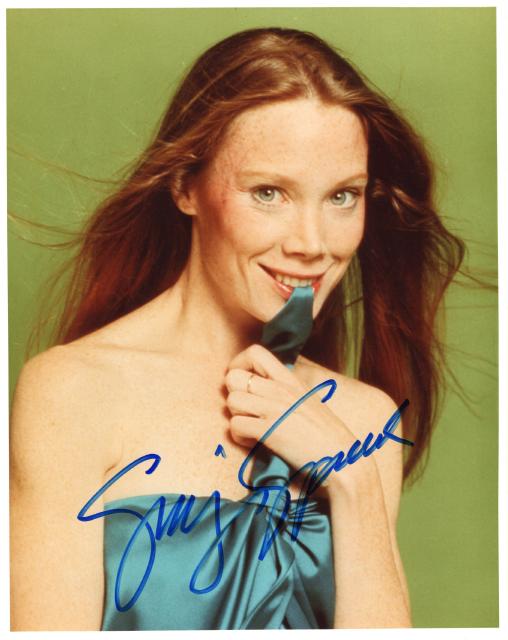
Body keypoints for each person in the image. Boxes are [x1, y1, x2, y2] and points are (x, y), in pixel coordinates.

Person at [9, 27, 464, 630]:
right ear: (185, 186)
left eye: (342, 197)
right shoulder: (74, 392)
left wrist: (351, 480)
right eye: (269, 193)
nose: (312, 244)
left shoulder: (363, 420)